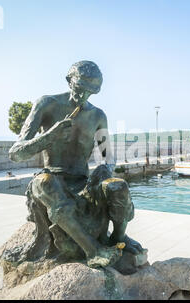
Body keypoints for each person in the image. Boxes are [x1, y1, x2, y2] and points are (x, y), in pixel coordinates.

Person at [9, 61, 142, 268]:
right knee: (45, 183)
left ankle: (118, 238)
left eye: (90, 92)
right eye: (80, 89)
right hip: (51, 178)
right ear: (68, 81)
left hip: (82, 182)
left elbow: (108, 157)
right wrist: (49, 136)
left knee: (118, 186)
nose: (83, 97)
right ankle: (93, 250)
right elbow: (16, 153)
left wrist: (105, 173)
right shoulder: (47, 104)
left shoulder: (98, 116)